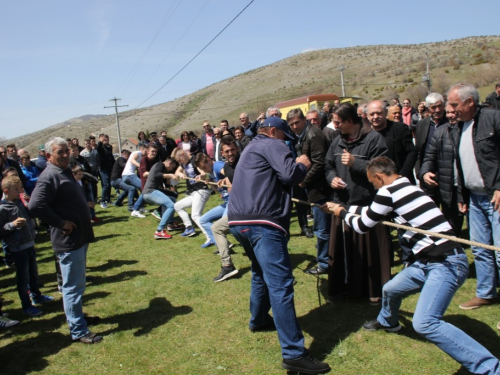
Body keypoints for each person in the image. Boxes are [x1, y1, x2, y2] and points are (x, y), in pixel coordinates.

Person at [325, 156, 500, 375]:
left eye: (373, 182)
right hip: (427, 262)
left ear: (379, 177)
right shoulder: (407, 184)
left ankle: (491, 368)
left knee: (425, 323)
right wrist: (343, 207)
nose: (374, 186)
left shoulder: (387, 192)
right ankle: (388, 322)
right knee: (390, 289)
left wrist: (340, 212)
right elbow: (371, 213)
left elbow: (362, 225)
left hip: (446, 263)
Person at [228, 116, 330, 374]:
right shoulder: (272, 144)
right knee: (281, 285)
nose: (288, 144)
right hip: (263, 222)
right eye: (286, 137)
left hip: (240, 222)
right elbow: (289, 175)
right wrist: (302, 164)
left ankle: (259, 319)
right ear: (273, 131)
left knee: (260, 273)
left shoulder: (250, 147)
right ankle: (294, 354)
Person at [29, 137, 102, 344]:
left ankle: (78, 317)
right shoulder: (49, 176)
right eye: (59, 152)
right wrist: (61, 223)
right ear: (49, 155)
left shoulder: (63, 171)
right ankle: (78, 330)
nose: (64, 154)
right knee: (72, 286)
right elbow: (35, 206)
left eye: (66, 151)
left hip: (79, 237)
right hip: (68, 240)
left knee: (78, 283)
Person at [325, 103, 391, 303]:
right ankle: (344, 288)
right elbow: (328, 166)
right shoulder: (337, 142)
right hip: (342, 204)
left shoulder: (374, 139)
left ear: (350, 121)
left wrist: (357, 164)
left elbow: (384, 171)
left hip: (366, 206)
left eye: (338, 122)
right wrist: (332, 178)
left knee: (368, 254)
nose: (335, 126)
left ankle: (371, 291)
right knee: (343, 253)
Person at [447, 83, 500, 313]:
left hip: (496, 197)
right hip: (475, 199)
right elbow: (461, 165)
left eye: (454, 104)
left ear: (470, 102)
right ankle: (486, 294)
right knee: (480, 249)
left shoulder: (493, 118)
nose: (451, 109)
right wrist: (462, 195)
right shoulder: (458, 127)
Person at [0, 175, 54, 316]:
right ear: (6, 191)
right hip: (18, 247)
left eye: (20, 188)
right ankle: (26, 305)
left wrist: (29, 203)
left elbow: (31, 214)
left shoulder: (19, 202)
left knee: (33, 273)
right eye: (16, 189)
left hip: (29, 243)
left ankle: (37, 296)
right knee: (23, 277)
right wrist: (12, 225)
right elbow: (1, 229)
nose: (19, 191)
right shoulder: (2, 208)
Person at [287, 108, 331, 275]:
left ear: (304, 120)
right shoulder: (302, 135)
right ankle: (324, 257)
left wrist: (303, 181)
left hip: (319, 188)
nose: (295, 126)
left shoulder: (314, 134)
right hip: (313, 187)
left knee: (321, 228)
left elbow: (319, 163)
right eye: (291, 124)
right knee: (320, 227)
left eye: (297, 122)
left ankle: (324, 263)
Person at [419, 104, 464, 236]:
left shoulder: (469, 130)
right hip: (447, 186)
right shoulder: (441, 131)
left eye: (453, 112)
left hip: (465, 187)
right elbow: (430, 155)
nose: (450, 115)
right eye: (448, 112)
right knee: (448, 223)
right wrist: (425, 172)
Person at [210, 137, 240, 282]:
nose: (230, 153)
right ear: (222, 153)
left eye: (232, 150)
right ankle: (227, 265)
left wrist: (229, 186)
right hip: (240, 209)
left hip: (252, 210)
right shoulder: (227, 167)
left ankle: (227, 266)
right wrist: (225, 182)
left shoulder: (245, 162)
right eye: (227, 151)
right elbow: (233, 181)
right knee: (216, 227)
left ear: (237, 149)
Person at [414, 93, 447, 201]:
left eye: (440, 106)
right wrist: (420, 173)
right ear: (428, 108)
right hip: (428, 176)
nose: (437, 110)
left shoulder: (451, 122)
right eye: (433, 107)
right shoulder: (422, 124)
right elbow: (419, 151)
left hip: (447, 178)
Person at [173, 150, 213, 239]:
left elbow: (204, 174)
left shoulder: (194, 161)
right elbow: (177, 172)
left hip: (201, 191)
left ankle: (210, 237)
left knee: (195, 215)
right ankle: (189, 228)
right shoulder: (184, 164)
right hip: (193, 193)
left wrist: (200, 177)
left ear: (183, 154)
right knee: (177, 206)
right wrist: (181, 174)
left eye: (180, 160)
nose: (180, 163)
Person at [142, 158, 179, 239]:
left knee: (172, 198)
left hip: (152, 191)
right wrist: (170, 175)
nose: (172, 169)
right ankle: (159, 231)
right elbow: (156, 175)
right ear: (169, 163)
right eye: (172, 167)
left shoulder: (161, 167)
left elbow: (163, 180)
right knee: (171, 205)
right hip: (150, 192)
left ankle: (170, 223)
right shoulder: (160, 164)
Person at [96, 134, 115, 208]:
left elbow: (111, 157)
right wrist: (100, 141)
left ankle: (108, 199)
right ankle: (102, 201)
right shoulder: (101, 147)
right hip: (103, 169)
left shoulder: (109, 147)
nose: (106, 141)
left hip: (109, 168)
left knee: (109, 184)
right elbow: (98, 148)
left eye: (107, 139)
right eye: (104, 139)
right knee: (106, 185)